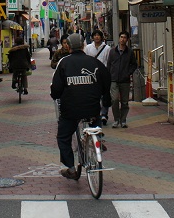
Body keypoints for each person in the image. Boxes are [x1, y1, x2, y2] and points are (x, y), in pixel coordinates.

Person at [50, 33, 111, 179]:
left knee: (63, 137)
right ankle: (98, 136)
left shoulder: (64, 63)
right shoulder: (95, 62)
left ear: (69, 47)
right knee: (94, 121)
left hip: (70, 110)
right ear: (83, 46)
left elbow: (56, 89)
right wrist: (105, 99)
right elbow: (106, 81)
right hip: (92, 108)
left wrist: (56, 95)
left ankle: (70, 168)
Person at [107, 31, 138, 128]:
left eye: (124, 37)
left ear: (127, 40)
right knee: (115, 100)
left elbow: (134, 64)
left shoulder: (130, 52)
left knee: (124, 101)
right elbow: (109, 64)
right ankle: (116, 119)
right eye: (121, 37)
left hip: (125, 80)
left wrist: (128, 73)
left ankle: (123, 120)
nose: (122, 39)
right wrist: (109, 75)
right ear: (119, 38)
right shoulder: (112, 51)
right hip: (114, 79)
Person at [84, 29, 111, 124]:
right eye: (95, 35)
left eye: (98, 35)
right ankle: (94, 114)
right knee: (93, 95)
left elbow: (108, 61)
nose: (96, 37)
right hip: (91, 75)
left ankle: (104, 114)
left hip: (103, 74)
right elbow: (85, 60)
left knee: (104, 95)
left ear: (101, 37)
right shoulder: (88, 47)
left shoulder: (107, 48)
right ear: (92, 37)